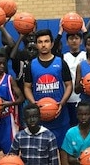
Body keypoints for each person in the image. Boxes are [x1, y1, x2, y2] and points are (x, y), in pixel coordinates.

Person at [23, 29, 72, 162]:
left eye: (46, 41)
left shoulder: (60, 62)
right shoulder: (31, 65)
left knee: (63, 152)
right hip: (40, 118)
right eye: (40, 42)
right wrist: (34, 104)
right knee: (41, 154)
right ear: (36, 45)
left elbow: (69, 85)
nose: (43, 45)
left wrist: (61, 103)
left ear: (51, 44)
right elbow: (27, 87)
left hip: (60, 115)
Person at [52, 20, 87, 127]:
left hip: (84, 98)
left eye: (77, 38)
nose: (74, 41)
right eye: (71, 38)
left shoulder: (87, 55)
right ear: (67, 42)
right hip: (68, 99)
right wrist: (60, 32)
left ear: (81, 41)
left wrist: (84, 30)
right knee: (71, 126)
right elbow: (52, 51)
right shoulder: (63, 57)